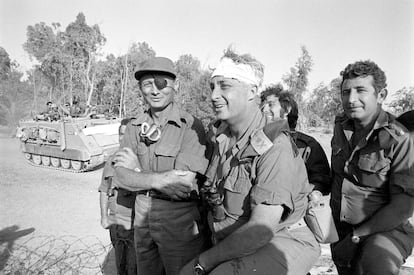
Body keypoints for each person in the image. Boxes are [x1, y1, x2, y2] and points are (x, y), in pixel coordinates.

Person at [180, 48, 320, 275]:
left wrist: (202, 263)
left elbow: (260, 230)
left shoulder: (275, 147)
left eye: (225, 86)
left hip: (281, 239)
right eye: (212, 86)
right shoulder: (220, 136)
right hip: (232, 241)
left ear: (252, 91)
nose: (214, 95)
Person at [110, 56, 210, 275]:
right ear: (140, 89)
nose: (155, 90)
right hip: (142, 213)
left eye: (162, 83)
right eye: (147, 84)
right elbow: (119, 176)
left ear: (176, 86)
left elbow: (182, 184)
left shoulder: (191, 126)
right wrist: (159, 179)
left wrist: (137, 171)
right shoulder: (135, 126)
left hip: (179, 217)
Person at [330, 60, 414, 275]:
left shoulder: (399, 139)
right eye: (345, 92)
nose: (351, 99)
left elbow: (402, 207)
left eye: (360, 91)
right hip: (342, 231)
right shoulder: (341, 127)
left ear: (381, 95)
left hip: (385, 231)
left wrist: (357, 237)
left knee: (376, 266)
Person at [261, 86, 331, 195]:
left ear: (287, 109)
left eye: (270, 105)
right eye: (263, 106)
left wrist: (297, 194)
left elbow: (322, 182)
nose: (264, 110)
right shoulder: (258, 141)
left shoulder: (307, 146)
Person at [99, 117, 137, 275]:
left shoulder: (141, 162)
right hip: (116, 224)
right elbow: (103, 190)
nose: (123, 138)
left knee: (135, 268)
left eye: (127, 134)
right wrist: (103, 216)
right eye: (121, 134)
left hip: (135, 226)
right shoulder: (111, 160)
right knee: (120, 265)